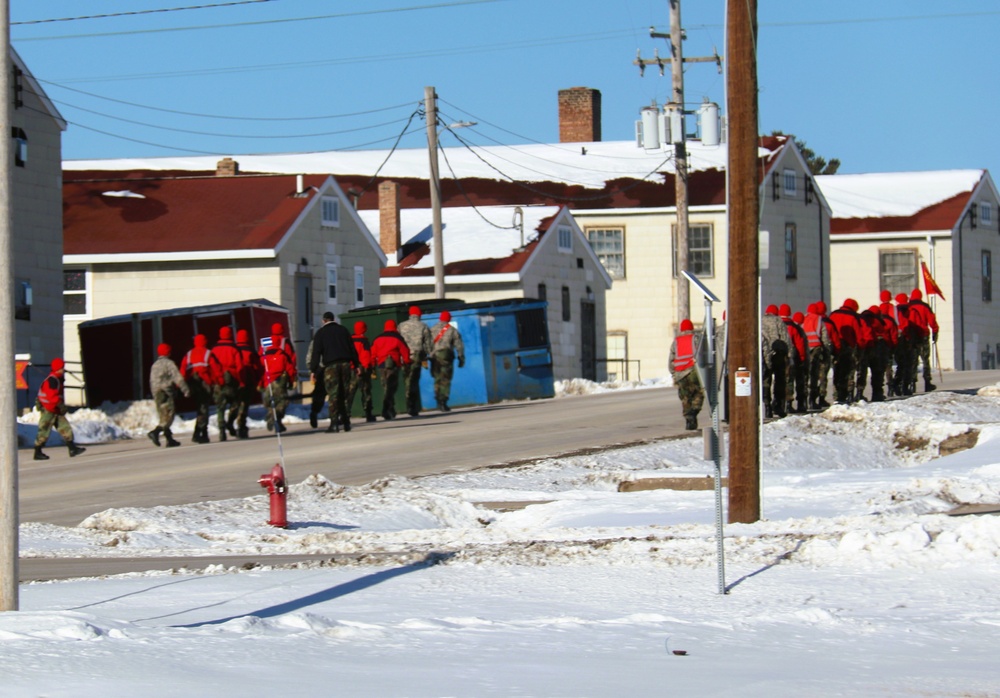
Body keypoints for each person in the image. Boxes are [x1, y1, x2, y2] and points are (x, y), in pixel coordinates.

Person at [309, 311, 359, 433]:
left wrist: (313, 370)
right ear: (333, 319)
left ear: (323, 321)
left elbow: (316, 353)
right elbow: (352, 348)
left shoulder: (320, 333)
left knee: (333, 394)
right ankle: (346, 422)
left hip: (331, 366)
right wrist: (356, 364)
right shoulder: (343, 330)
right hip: (346, 364)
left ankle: (334, 423)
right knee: (344, 393)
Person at [33, 358, 86, 461]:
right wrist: (61, 405)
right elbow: (52, 396)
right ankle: (37, 452)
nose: (63, 369)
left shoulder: (56, 379)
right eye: (62, 367)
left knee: (66, 428)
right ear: (58, 368)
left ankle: (72, 449)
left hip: (54, 409)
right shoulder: (53, 380)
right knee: (44, 431)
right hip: (49, 410)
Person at [180, 334, 222, 444]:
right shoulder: (208, 353)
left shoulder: (188, 354)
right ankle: (201, 433)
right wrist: (219, 381)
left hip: (193, 385)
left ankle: (201, 433)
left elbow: (183, 371)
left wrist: (181, 386)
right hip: (204, 384)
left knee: (200, 408)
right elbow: (216, 369)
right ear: (205, 341)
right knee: (203, 409)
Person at [147, 343, 191, 448]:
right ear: (168, 352)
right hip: (166, 392)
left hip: (157, 393)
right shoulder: (169, 364)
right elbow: (178, 377)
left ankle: (169, 439)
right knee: (168, 416)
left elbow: (152, 381)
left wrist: (155, 394)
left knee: (163, 416)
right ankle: (155, 432)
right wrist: (185, 390)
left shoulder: (155, 365)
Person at [371, 319, 411, 420]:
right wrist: (407, 362)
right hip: (393, 365)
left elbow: (373, 353)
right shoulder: (397, 338)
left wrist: (372, 366)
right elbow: (405, 351)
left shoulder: (377, 339)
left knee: (386, 386)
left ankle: (390, 409)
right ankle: (386, 409)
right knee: (391, 388)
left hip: (381, 365)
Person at [669, 319, 705, 430]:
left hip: (680, 374)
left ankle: (689, 418)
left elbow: (671, 360)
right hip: (694, 371)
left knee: (685, 398)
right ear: (692, 328)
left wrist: (674, 374)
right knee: (699, 393)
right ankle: (694, 412)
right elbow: (703, 353)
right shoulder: (696, 338)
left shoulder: (676, 342)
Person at [260, 324, 296, 433]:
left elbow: (260, 357)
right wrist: (292, 378)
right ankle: (275, 418)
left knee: (271, 400)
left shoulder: (266, 341)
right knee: (282, 401)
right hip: (280, 378)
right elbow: (291, 360)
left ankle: (275, 420)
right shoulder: (285, 342)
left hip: (267, 378)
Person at [398, 305, 433, 417]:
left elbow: (397, 340)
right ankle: (412, 406)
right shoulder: (423, 326)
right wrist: (429, 355)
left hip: (404, 355)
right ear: (419, 314)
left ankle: (408, 403)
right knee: (413, 380)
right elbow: (427, 344)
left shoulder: (401, 325)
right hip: (417, 355)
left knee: (406, 379)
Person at [428, 311, 465, 412]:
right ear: (449, 319)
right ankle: (443, 401)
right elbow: (459, 345)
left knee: (437, 378)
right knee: (445, 380)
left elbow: (426, 343)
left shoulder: (432, 329)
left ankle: (438, 399)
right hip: (446, 357)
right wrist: (461, 358)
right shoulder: (452, 330)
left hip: (434, 357)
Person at [802, 302, 836, 409]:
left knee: (807, 374)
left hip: (806, 349)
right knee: (818, 375)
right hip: (816, 348)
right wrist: (827, 350)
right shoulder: (819, 319)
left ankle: (805, 400)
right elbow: (825, 336)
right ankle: (816, 399)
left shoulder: (804, 318)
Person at [212, 326, 243, 441]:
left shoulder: (214, 349)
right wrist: (241, 381)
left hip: (218, 381)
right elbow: (240, 367)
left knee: (220, 407)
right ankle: (230, 422)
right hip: (232, 381)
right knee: (235, 404)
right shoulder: (234, 349)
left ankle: (221, 430)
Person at [829, 299, 863, 404]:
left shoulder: (833, 314)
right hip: (848, 346)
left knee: (837, 370)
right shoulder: (853, 317)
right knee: (848, 371)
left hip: (835, 346)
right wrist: (860, 348)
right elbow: (859, 335)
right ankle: (846, 394)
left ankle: (836, 394)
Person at [761, 304, 791, 418]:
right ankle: (778, 406)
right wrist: (789, 356)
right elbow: (785, 339)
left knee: (765, 380)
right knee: (779, 380)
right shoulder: (778, 321)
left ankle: (767, 406)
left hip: (764, 353)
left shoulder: (760, 320)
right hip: (777, 354)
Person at [906, 288, 939, 392]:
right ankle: (927, 382)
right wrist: (935, 332)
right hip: (923, 335)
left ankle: (912, 382)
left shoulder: (908, 307)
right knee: (925, 360)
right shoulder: (925, 307)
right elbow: (932, 321)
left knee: (913, 360)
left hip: (912, 337)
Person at [233, 329, 262, 439]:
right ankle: (241, 427)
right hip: (248, 381)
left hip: (236, 381)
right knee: (244, 405)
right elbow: (257, 368)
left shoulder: (234, 349)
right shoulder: (251, 351)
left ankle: (230, 422)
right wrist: (258, 380)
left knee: (236, 403)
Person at [780, 304, 809, 413]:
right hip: (794, 358)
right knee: (797, 381)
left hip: (780, 357)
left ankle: (783, 404)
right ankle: (798, 404)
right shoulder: (793, 327)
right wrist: (802, 358)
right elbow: (800, 344)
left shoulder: (778, 325)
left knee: (784, 381)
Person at [346, 320, 376, 423]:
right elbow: (366, 355)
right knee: (365, 391)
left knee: (349, 393)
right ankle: (368, 414)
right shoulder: (364, 341)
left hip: (350, 368)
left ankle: (346, 414)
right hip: (362, 369)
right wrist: (368, 367)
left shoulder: (349, 340)